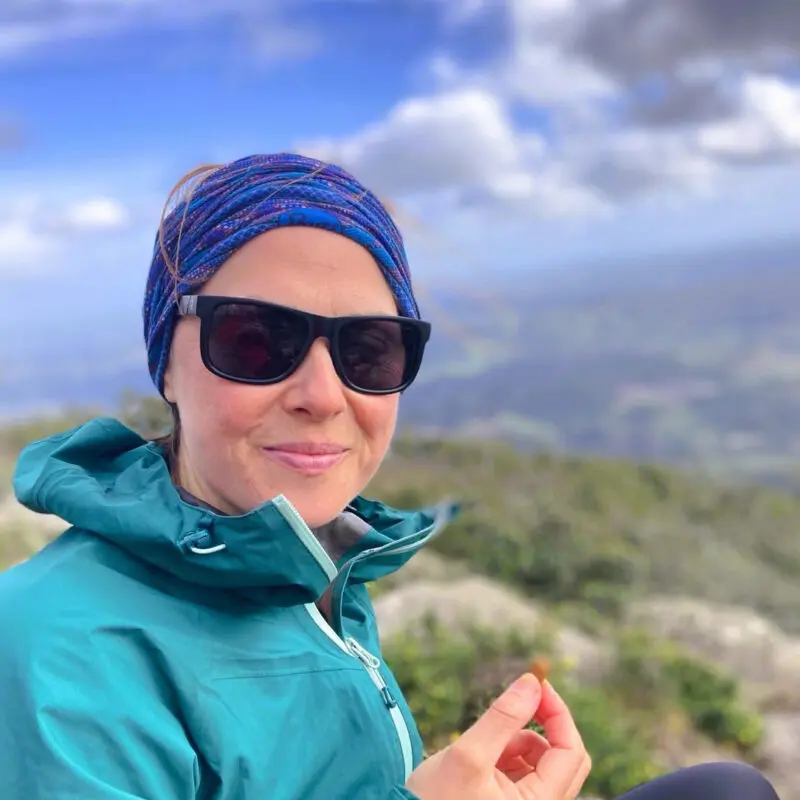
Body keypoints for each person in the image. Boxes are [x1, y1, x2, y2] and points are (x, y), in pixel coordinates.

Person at [0, 153, 780, 800]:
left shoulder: (314, 567)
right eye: (255, 339)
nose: (322, 395)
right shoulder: (52, 645)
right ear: (167, 361)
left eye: (368, 349)